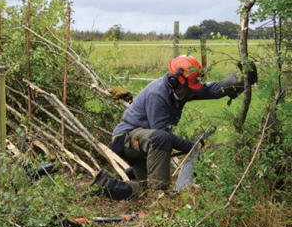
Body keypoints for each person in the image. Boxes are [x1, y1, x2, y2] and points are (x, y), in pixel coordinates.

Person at [84, 55, 257, 201]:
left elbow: (209, 89)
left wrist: (240, 80)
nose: (191, 91)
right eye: (189, 87)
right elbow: (162, 134)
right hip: (127, 139)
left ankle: (107, 186)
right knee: (162, 139)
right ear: (176, 81)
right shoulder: (157, 94)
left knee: (144, 189)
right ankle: (160, 197)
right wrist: (192, 145)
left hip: (143, 144)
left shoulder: (182, 88)